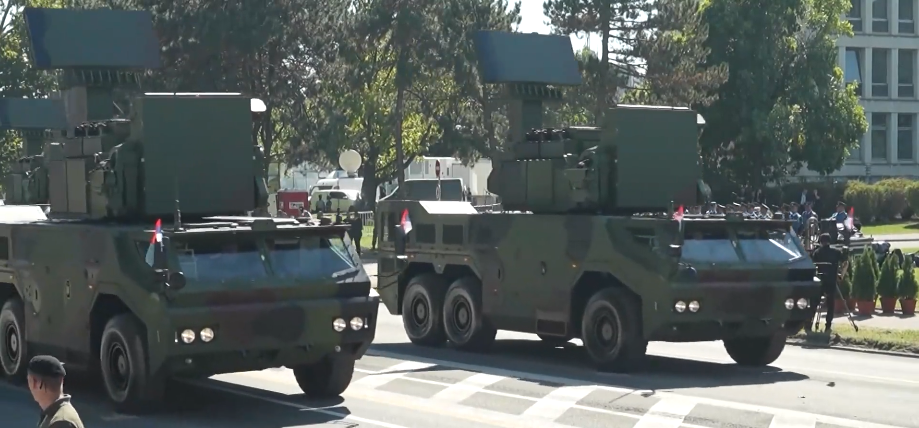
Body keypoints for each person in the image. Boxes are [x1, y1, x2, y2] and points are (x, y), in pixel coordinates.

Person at [28, 355, 84, 428]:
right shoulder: (57, 414)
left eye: (28, 380)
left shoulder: (61, 422)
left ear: (35, 383)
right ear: (62, 381)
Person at [811, 233, 845, 333]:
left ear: (821, 242)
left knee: (814, 303)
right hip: (831, 280)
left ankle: (809, 323)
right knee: (831, 304)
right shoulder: (836, 252)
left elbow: (813, 265)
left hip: (820, 281)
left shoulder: (817, 252)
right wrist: (841, 274)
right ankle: (828, 325)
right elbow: (845, 262)